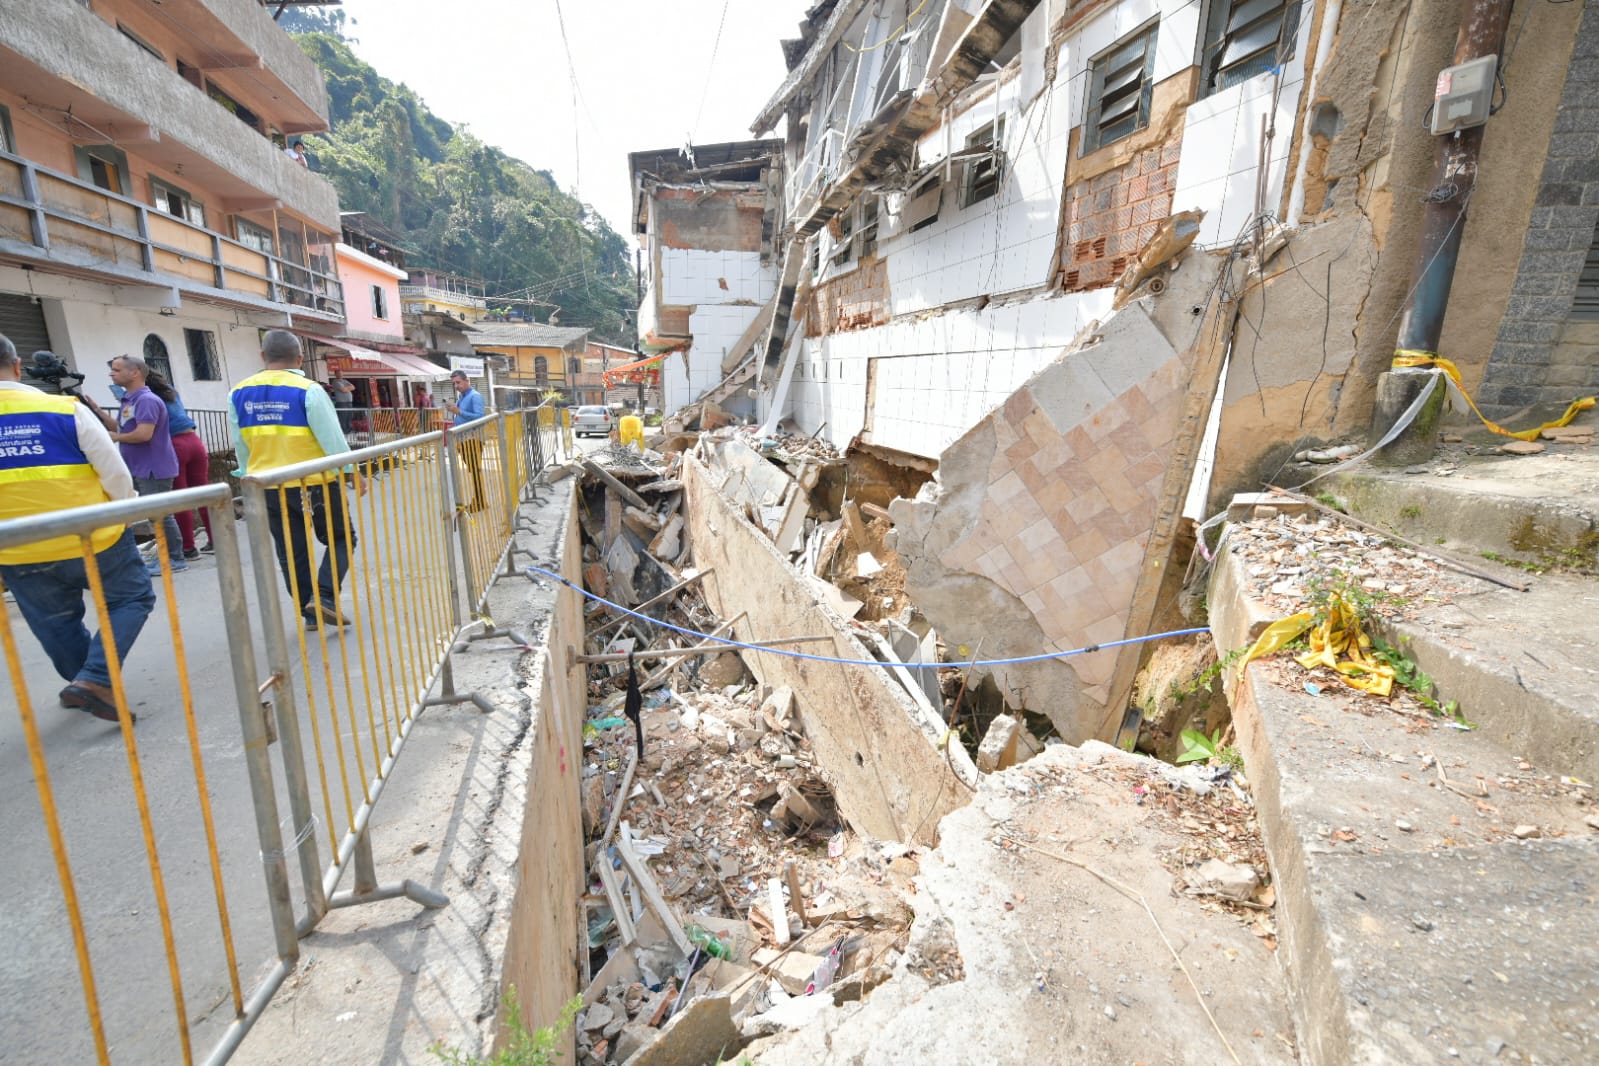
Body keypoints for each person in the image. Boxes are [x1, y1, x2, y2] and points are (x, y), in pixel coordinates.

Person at [0, 333, 155, 724]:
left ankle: (83, 683)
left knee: (54, 621)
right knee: (131, 597)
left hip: (15, 548)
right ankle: (95, 681)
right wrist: (122, 516)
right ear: (18, 366)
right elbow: (115, 472)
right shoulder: (65, 409)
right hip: (92, 536)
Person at [229, 330, 365, 629]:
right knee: (341, 538)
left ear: (263, 357)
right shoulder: (308, 390)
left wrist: (244, 475)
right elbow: (332, 438)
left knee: (291, 549)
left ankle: (308, 610)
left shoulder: (238, 392)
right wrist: (351, 471)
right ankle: (325, 598)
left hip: (269, 485)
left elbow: (240, 444)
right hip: (315, 482)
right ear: (300, 358)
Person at [105, 354, 185, 575]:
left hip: (153, 466)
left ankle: (175, 558)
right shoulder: (130, 400)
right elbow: (124, 428)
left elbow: (143, 434)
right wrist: (97, 412)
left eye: (117, 369)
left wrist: (115, 437)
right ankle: (167, 556)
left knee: (160, 513)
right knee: (154, 513)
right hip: (139, 466)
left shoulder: (146, 400)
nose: (112, 373)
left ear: (135, 373)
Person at [149, 371, 213, 560]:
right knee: (204, 494)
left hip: (174, 445)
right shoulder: (170, 391)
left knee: (181, 497)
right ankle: (216, 540)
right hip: (194, 441)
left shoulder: (146, 397)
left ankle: (188, 547)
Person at [445, 370, 486, 512]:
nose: (456, 386)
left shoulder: (475, 396)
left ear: (466, 380)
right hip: (464, 440)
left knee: (475, 472)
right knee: (474, 472)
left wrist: (460, 412)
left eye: (458, 382)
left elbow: (480, 417)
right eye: (454, 383)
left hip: (473, 439)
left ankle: (480, 502)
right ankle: (479, 500)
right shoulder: (461, 397)